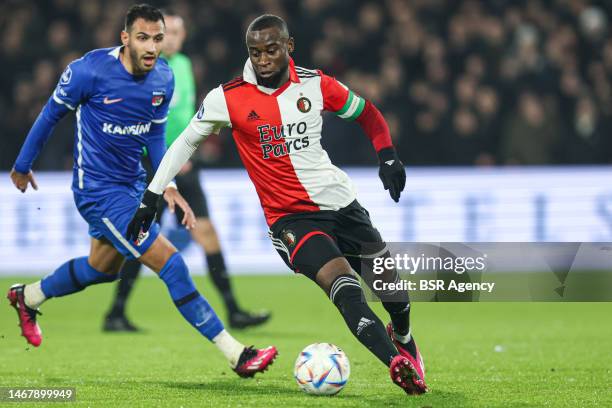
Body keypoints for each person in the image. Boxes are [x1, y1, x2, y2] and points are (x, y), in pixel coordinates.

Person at [129, 14, 427, 395]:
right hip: (291, 219)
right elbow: (185, 142)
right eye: (255, 52)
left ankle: (402, 337)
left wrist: (387, 156)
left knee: (394, 293)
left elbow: (366, 114)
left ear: (288, 46)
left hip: (341, 204)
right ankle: (396, 363)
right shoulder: (228, 97)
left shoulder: (316, 84)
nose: (263, 59)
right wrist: (152, 194)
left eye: (271, 50)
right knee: (344, 285)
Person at [7, 4, 277, 378]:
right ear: (125, 39)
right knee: (172, 263)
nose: (151, 47)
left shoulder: (163, 79)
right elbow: (50, 114)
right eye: (143, 38)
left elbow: (154, 137)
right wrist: (22, 164)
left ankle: (28, 296)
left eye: (157, 39)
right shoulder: (88, 71)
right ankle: (236, 353)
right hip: (98, 191)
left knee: (101, 269)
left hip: (135, 185)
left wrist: (166, 184)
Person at [103, 10, 270, 332]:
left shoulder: (183, 65)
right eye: (169, 33)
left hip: (185, 164)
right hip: (155, 164)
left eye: (180, 32)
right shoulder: (146, 71)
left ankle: (234, 310)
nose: (175, 38)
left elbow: (182, 116)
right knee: (143, 237)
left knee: (207, 233)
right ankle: (116, 311)